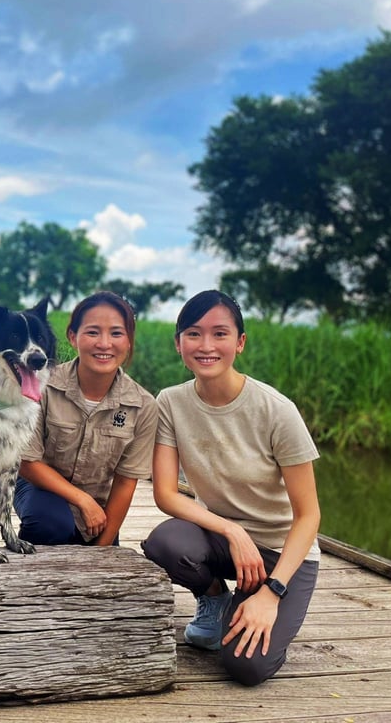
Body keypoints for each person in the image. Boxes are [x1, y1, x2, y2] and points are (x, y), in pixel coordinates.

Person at [141, 289, 321, 686]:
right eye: (194, 333)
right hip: (225, 542)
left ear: (239, 343)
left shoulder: (277, 411)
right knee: (166, 543)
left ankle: (263, 612)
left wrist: (272, 592)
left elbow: (309, 516)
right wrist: (232, 529)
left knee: (246, 667)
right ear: (178, 343)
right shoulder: (170, 402)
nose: (206, 346)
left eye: (219, 334)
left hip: (282, 553)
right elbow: (166, 494)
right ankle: (216, 599)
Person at [15, 291, 158, 547]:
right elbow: (27, 463)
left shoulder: (143, 406)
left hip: (98, 499)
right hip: (37, 487)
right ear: (73, 337)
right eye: (92, 332)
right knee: (50, 522)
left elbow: (125, 482)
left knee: (100, 556)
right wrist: (82, 500)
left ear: (129, 341)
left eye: (116, 333)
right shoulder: (42, 386)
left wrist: (101, 550)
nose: (104, 344)